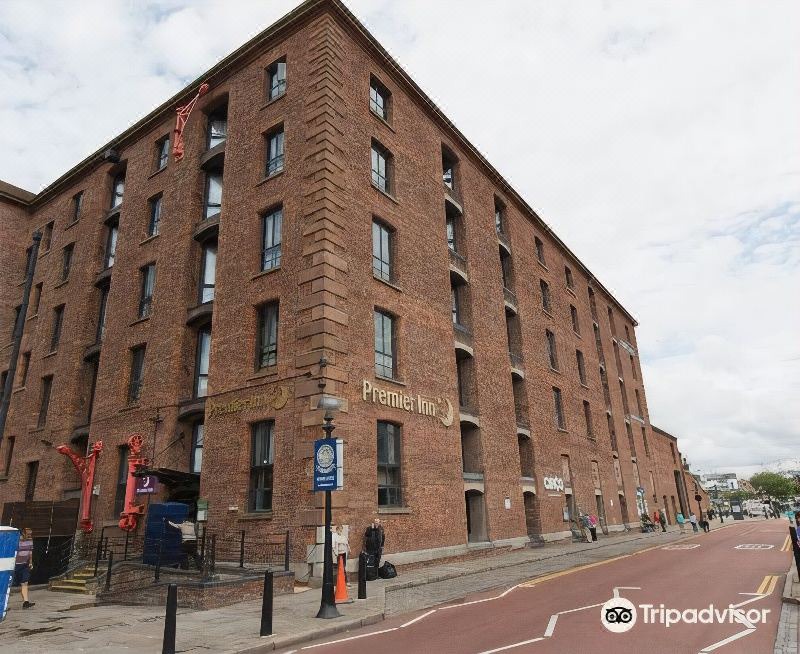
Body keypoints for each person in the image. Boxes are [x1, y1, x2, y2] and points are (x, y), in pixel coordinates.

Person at [13, 527, 35, 609]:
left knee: (25, 582)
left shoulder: (30, 540)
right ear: (23, 533)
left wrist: (30, 562)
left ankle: (26, 602)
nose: (29, 535)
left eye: (30, 534)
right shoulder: (16, 540)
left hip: (24, 565)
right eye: (28, 534)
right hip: (15, 565)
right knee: (10, 583)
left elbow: (30, 552)